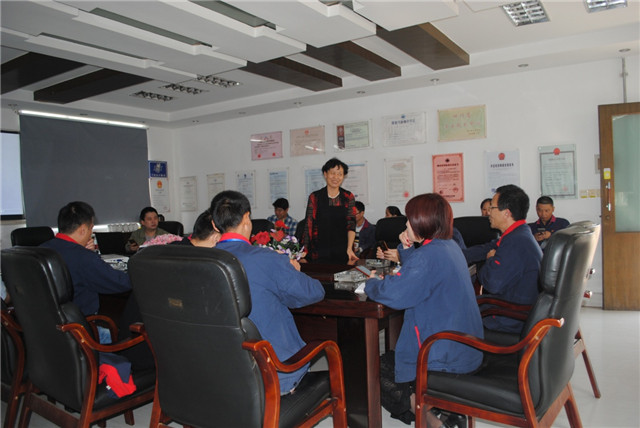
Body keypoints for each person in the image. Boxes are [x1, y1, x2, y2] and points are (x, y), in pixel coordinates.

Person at [365, 193, 483, 425]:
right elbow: (418, 276)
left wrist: (372, 283)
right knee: (391, 361)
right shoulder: (448, 246)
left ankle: (430, 419)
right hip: (465, 346)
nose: (406, 224)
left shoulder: (428, 256)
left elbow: (394, 294)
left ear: (423, 222)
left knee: (374, 370)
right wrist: (407, 248)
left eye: (409, 220)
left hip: (443, 354)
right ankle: (445, 410)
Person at [210, 190, 325, 394]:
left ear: (214, 224)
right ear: (247, 218)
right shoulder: (265, 258)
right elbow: (314, 292)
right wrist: (292, 270)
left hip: (221, 374)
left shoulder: (200, 261)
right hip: (273, 374)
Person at [40, 201, 131, 343]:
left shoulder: (41, 250)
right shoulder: (83, 258)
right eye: (91, 229)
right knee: (128, 335)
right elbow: (122, 283)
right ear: (83, 229)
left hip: (47, 332)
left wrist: (86, 253)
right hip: (81, 333)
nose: (91, 234)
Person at [463, 185, 543, 333]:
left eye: (492, 208)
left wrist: (489, 260)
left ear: (506, 213)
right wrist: (456, 255)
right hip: (513, 307)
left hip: (510, 318)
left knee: (455, 307)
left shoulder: (516, 243)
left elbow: (491, 283)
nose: (488, 212)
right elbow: (487, 248)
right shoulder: (519, 233)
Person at [302, 158, 358, 264]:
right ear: (325, 174)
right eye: (332, 173)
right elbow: (308, 224)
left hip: (342, 251)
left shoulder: (348, 196)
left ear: (343, 176)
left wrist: (349, 248)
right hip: (318, 251)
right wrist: (304, 249)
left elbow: (351, 225)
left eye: (340, 174)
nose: (336, 177)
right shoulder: (315, 197)